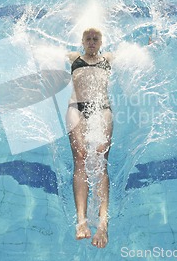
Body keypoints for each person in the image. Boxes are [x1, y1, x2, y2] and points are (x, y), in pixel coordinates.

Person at [66, 28, 113, 248]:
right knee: (80, 159)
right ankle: (82, 222)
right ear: (82, 41)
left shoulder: (108, 59)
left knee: (100, 161)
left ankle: (103, 225)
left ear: (101, 41)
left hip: (101, 109)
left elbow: (133, 55)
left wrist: (151, 45)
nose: (92, 42)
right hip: (76, 108)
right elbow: (46, 52)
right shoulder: (74, 58)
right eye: (88, 39)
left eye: (96, 39)